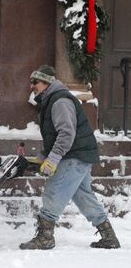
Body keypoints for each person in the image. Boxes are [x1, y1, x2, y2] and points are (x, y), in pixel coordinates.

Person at [19, 65, 121, 250]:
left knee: (53, 190)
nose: (32, 86)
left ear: (47, 82)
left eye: (36, 82)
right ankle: (109, 237)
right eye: (31, 82)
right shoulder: (51, 100)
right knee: (83, 196)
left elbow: (66, 134)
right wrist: (42, 157)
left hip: (74, 154)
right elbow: (53, 136)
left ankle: (45, 238)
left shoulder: (60, 101)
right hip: (80, 153)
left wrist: (52, 160)